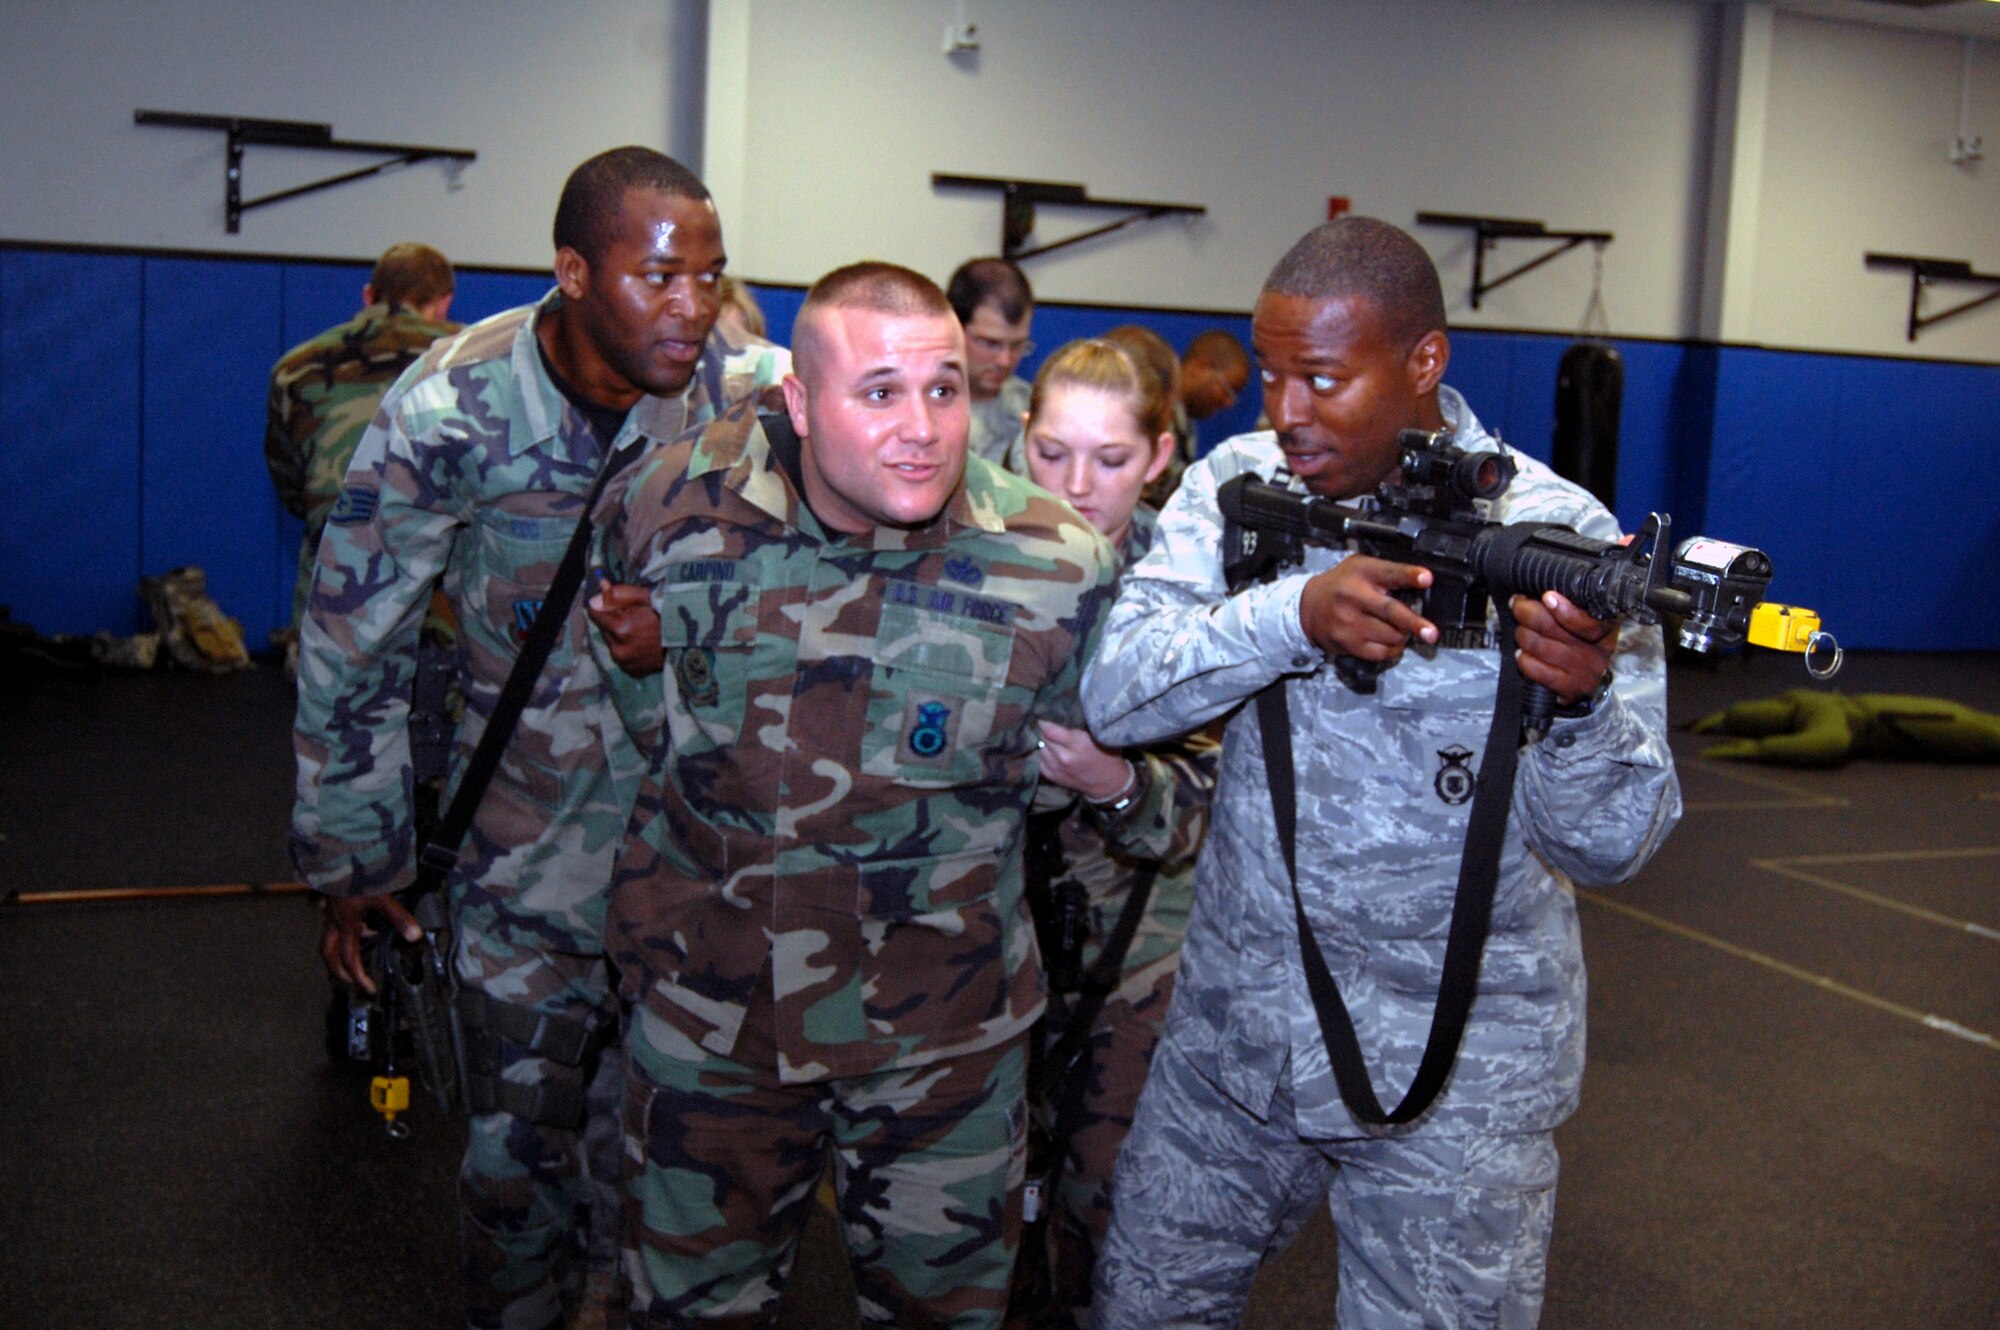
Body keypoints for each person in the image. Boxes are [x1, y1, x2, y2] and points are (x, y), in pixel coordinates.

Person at [1080, 217, 1683, 1329]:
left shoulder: (1558, 536)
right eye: (1268, 375)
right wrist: (1286, 615)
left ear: (1421, 362)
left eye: (1319, 377)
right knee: (1141, 1307)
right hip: (1235, 1038)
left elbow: (1610, 842)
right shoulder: (1238, 482)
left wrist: (1580, 702)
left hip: (1455, 1071)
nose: (1283, 411)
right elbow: (1114, 695)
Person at [291, 146, 787, 1330]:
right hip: (523, 847)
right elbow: (353, 632)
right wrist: (355, 862)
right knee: (513, 1162)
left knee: (666, 1156)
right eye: (658, 278)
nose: (691, 307)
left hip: (697, 848)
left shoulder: (753, 394)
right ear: (571, 273)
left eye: (710, 278)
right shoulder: (452, 404)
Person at [591, 261, 1119, 1328]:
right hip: (714, 1020)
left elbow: (1097, 785)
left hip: (941, 1043)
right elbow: (643, 718)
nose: (921, 426)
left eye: (944, 388)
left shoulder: (1054, 565)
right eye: (878, 392)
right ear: (797, 398)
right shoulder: (673, 505)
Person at [1006, 338, 1218, 1329]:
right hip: (980, 952)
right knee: (976, 1228)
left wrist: (1114, 780)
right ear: (1019, 439)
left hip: (1129, 953)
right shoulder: (962, 565)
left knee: (1106, 1211)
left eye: (1109, 459)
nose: (1076, 484)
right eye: (1050, 453)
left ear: (1158, 455)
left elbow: (1211, 799)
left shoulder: (1190, 598)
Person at [264, 243, 458, 650]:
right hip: (442, 592)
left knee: (330, 707)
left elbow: (291, 485)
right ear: (443, 303)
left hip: (335, 586)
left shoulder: (297, 368)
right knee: (448, 704)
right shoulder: (475, 361)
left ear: (368, 296)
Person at [946, 256, 1036, 469]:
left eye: (1017, 345)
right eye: (990, 343)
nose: (1005, 361)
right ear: (953, 328)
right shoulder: (921, 412)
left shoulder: (1033, 409)